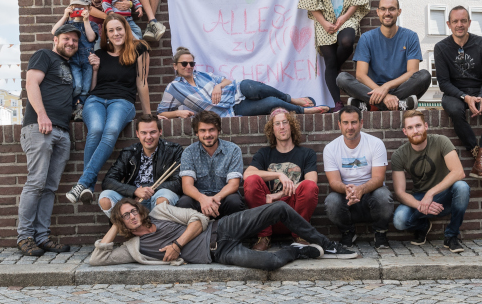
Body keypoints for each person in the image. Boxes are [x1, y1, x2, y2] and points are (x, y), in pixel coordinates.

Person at [91, 197, 357, 270]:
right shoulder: (133, 247)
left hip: (222, 227)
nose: (132, 216)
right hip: (220, 253)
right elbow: (97, 260)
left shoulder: (161, 213)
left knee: (277, 208)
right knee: (271, 262)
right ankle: (297, 250)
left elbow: (198, 219)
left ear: (140, 209)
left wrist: (177, 244)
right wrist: (115, 223)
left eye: (132, 211)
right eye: (126, 216)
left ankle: (326, 245)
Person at [66, 14, 152, 204]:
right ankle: (87, 187)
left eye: (119, 29)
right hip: (96, 99)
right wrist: (95, 69)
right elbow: (93, 88)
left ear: (126, 29)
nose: (116, 33)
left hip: (123, 101)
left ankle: (83, 183)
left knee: (111, 130)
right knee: (95, 130)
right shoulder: (101, 54)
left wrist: (148, 115)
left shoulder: (139, 49)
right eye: (111, 30)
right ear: (106, 33)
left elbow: (142, 83)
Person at [16, 24, 78, 256]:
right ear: (56, 39)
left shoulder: (69, 67)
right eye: (66, 38)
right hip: (40, 127)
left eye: (74, 40)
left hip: (62, 132)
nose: (70, 43)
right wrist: (42, 114)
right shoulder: (44, 55)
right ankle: (25, 237)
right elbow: (31, 84)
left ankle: (42, 236)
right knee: (36, 183)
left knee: (50, 187)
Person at [298, 0, 370, 109]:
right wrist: (324, 23)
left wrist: (343, 18)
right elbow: (309, 1)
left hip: (347, 16)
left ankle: (334, 71)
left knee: (346, 42)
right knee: (329, 62)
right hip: (324, 22)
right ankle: (337, 103)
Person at [433, 6, 482, 182]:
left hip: (480, 91)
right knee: (456, 111)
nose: (460, 25)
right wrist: (465, 97)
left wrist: (481, 96)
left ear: (469, 23)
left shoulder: (481, 44)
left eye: (463, 21)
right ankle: (480, 162)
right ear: (449, 24)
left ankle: (480, 163)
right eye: (455, 21)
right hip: (454, 93)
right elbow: (443, 83)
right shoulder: (441, 47)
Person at [157, 47, 328, 118]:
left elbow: (227, 80)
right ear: (175, 66)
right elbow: (161, 113)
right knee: (273, 103)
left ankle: (293, 99)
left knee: (251, 86)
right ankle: (303, 111)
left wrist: (218, 85)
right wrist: (178, 114)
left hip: (235, 91)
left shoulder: (201, 75)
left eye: (191, 63)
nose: (188, 66)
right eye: (184, 64)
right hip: (230, 109)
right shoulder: (174, 88)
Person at [390, 110, 469, 252]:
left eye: (418, 126)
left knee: (462, 187)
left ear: (426, 126)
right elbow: (400, 193)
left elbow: (458, 172)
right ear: (405, 131)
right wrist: (421, 205)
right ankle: (422, 225)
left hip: (445, 197)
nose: (415, 131)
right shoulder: (399, 155)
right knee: (399, 220)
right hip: (420, 197)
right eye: (410, 128)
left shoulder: (441, 141)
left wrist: (430, 194)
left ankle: (451, 236)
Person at [337, 0, 431, 111]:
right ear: (378, 12)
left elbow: (412, 71)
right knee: (342, 78)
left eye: (392, 9)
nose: (387, 13)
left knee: (424, 76)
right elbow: (361, 75)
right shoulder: (367, 38)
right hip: (372, 89)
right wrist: (384, 94)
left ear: (399, 12)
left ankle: (371, 106)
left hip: (401, 88)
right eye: (383, 9)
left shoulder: (410, 36)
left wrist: (386, 87)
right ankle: (401, 104)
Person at [242, 109, 319, 251]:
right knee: (251, 181)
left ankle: (300, 235)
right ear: (272, 129)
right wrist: (279, 175)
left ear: (292, 126)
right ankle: (264, 237)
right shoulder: (264, 153)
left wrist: (278, 195)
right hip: (268, 214)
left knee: (309, 186)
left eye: (285, 122)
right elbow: (247, 175)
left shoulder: (306, 153)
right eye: (277, 123)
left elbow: (312, 181)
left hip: (294, 213)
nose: (282, 126)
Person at [322, 105, 395, 249]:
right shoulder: (330, 148)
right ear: (339, 124)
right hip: (346, 196)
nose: (350, 127)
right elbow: (334, 182)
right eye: (345, 123)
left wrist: (361, 189)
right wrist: (346, 189)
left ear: (361, 123)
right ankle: (348, 232)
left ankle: (380, 233)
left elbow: (379, 178)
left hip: (371, 194)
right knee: (331, 201)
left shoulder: (375, 143)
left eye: (354, 122)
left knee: (383, 195)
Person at [97, 114, 183, 217]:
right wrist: (134, 191)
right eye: (144, 133)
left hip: (157, 195)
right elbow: (108, 181)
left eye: (152, 132)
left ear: (160, 132)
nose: (148, 137)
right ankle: (129, 229)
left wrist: (148, 189)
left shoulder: (173, 150)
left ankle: (157, 230)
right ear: (137, 134)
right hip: (133, 198)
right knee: (105, 198)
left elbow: (179, 182)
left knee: (164, 198)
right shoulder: (129, 153)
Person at [177, 111, 246, 218]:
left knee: (235, 202)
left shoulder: (233, 150)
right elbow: (187, 186)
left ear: (218, 131)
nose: (207, 135)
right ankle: (193, 233)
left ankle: (231, 233)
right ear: (197, 133)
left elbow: (234, 184)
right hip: (199, 199)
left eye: (211, 130)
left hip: (223, 198)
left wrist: (216, 198)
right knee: (184, 203)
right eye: (203, 131)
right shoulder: (189, 152)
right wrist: (202, 199)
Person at [51, 0, 101, 120]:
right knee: (77, 85)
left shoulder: (91, 24)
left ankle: (80, 108)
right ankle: (73, 105)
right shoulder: (67, 23)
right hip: (73, 60)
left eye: (82, 8)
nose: (79, 11)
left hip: (87, 60)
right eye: (76, 8)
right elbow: (54, 32)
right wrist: (65, 16)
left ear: (89, 9)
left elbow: (91, 37)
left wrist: (86, 20)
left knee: (86, 87)